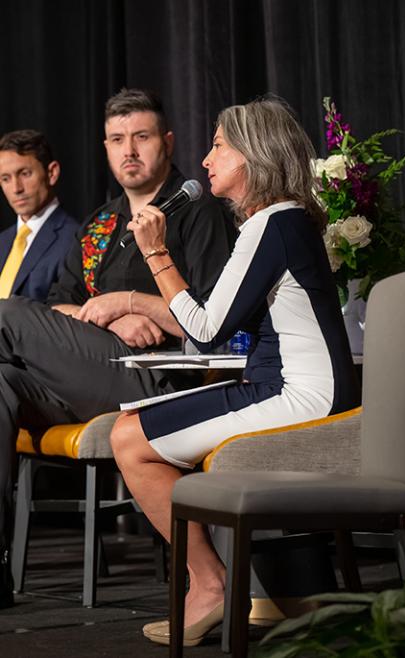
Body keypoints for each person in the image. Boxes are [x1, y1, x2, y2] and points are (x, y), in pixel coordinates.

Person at [110, 97, 361, 647]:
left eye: (219, 145)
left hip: (303, 397)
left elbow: (204, 330)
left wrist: (157, 254)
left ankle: (210, 584)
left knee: (127, 438)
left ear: (254, 155)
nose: (204, 159)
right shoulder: (280, 222)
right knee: (131, 428)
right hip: (285, 385)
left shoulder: (274, 222)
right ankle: (230, 584)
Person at [0, 88, 236, 609]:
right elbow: (59, 306)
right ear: (105, 148)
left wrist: (137, 305)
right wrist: (101, 312)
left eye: (142, 137)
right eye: (116, 139)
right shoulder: (101, 224)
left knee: (6, 313)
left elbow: (215, 318)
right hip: (90, 370)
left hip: (157, 381)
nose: (129, 150)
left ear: (168, 143)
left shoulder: (197, 212)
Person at [0, 129, 78, 301]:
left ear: (52, 173)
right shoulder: (3, 241)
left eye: (25, 174)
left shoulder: (74, 240)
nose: (16, 188)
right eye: (5, 178)